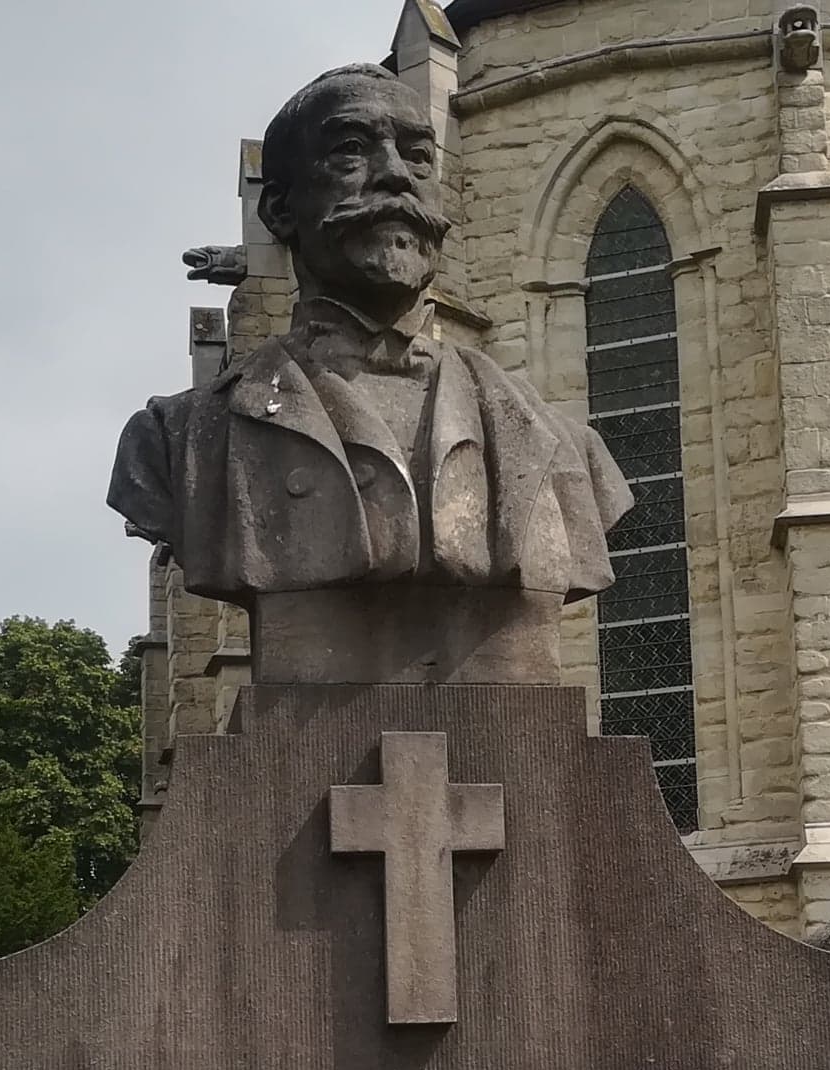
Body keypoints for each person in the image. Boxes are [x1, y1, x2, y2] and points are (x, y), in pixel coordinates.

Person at [107, 64, 632, 682]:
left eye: (417, 157)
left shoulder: (562, 446)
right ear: (278, 208)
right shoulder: (179, 438)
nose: (395, 176)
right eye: (351, 152)